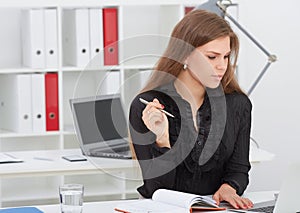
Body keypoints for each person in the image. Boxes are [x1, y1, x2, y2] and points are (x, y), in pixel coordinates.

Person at [129, 9, 253, 210]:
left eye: (226, 57)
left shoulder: (238, 104)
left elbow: (238, 169)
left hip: (216, 208)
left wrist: (229, 187)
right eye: (212, 57)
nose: (221, 66)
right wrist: (162, 139)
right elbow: (156, 189)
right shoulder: (147, 106)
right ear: (184, 56)